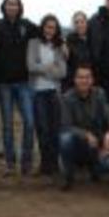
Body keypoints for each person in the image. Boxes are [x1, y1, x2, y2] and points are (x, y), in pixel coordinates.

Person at [0, 0, 37, 176]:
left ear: (20, 7)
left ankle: (26, 162)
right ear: (4, 6)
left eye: (15, 4)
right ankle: (10, 163)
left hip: (24, 83)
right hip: (3, 84)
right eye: (9, 4)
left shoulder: (26, 25)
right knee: (7, 125)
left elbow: (47, 32)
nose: (12, 7)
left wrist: (62, 42)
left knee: (29, 122)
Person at [58, 65, 109, 190]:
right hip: (78, 144)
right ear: (75, 80)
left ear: (92, 80)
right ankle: (69, 174)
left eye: (87, 77)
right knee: (64, 138)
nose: (84, 81)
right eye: (80, 77)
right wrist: (85, 134)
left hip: (97, 143)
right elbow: (66, 126)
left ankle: (95, 168)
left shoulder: (100, 94)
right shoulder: (66, 98)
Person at [27, 14, 68, 176]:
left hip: (54, 92)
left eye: (53, 27)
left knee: (54, 129)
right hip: (38, 92)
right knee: (42, 128)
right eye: (47, 27)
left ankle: (54, 164)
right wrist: (50, 69)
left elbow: (63, 72)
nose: (50, 30)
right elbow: (30, 66)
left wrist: (42, 69)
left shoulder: (59, 46)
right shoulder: (33, 43)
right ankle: (45, 164)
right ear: (42, 27)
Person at [65, 11, 91, 90]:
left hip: (92, 82)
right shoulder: (68, 41)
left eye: (82, 22)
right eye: (76, 22)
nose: (79, 25)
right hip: (74, 83)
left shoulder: (94, 39)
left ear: (86, 23)